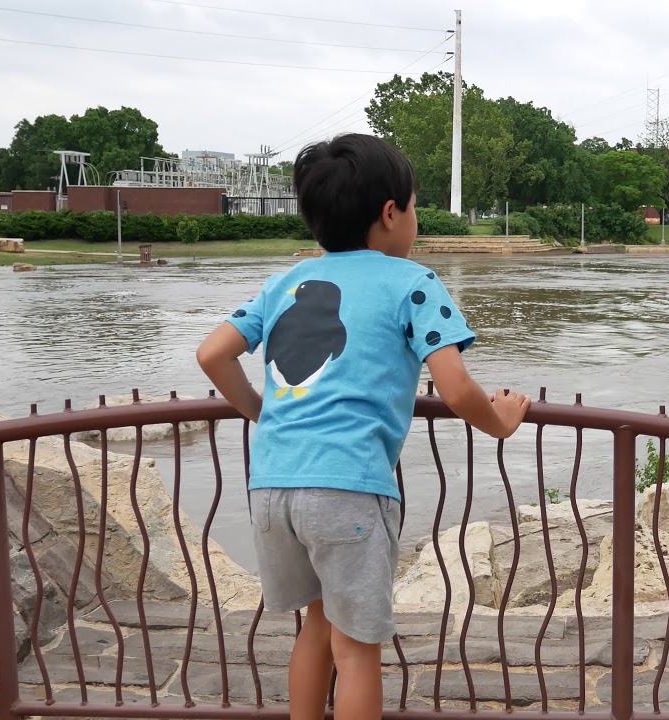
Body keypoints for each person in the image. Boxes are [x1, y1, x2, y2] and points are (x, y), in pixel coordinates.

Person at [196, 133, 531, 720]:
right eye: (415, 206)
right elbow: (454, 387)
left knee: (317, 628)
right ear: (390, 213)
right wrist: (500, 423)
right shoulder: (414, 282)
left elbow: (212, 354)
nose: (417, 220)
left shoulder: (287, 283)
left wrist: (260, 411)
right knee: (356, 651)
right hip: (348, 489)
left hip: (272, 486)